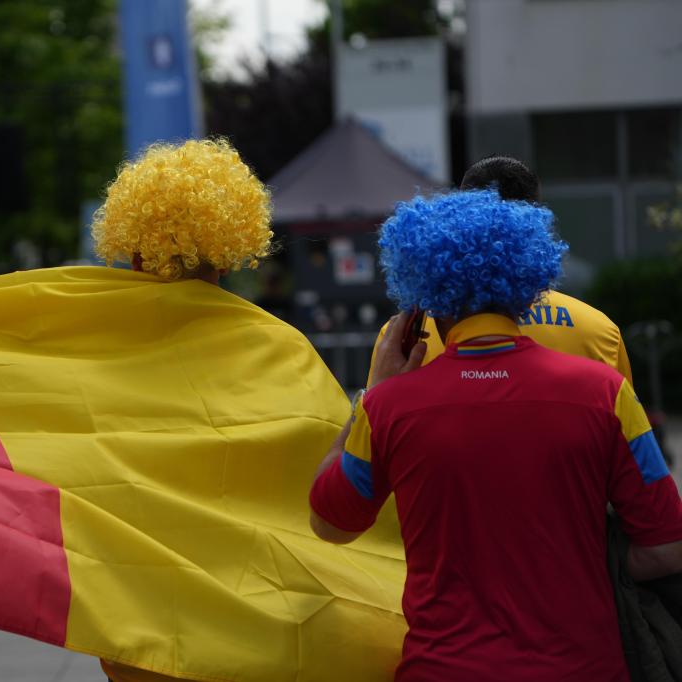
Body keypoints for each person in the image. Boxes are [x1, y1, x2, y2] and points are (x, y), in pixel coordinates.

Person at [309, 189, 682, 680]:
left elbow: (330, 522)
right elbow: (665, 549)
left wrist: (373, 392)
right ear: (526, 284)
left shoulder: (387, 409)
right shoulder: (606, 393)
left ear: (423, 299)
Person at [91, 138, 272, 682]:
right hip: (247, 624)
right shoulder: (279, 351)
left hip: (137, 630)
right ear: (230, 255)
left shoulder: (97, 355)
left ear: (135, 254)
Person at [368, 155, 633, 382]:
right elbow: (622, 420)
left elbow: (372, 421)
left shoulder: (403, 340)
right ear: (537, 223)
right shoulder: (599, 331)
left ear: (457, 217)